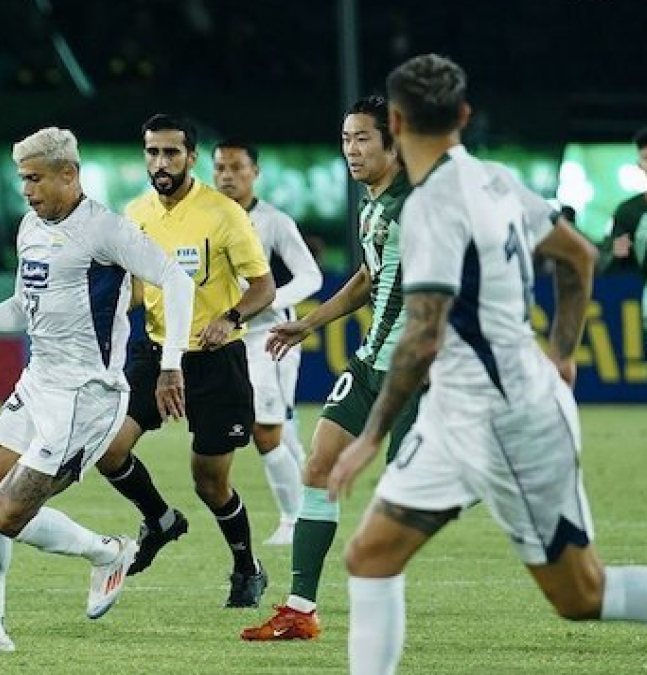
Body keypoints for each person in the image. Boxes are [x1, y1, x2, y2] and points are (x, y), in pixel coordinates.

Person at [328, 52, 647, 675]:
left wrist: (369, 438)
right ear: (464, 115)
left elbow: (422, 336)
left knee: (581, 595)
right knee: (370, 555)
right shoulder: (496, 178)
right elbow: (578, 257)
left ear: (393, 121)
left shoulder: (430, 207)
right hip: (456, 414)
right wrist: (560, 353)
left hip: (509, 424)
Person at [0, 126, 195, 653]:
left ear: (68, 174)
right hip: (38, 383)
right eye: (22, 179)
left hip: (85, 397)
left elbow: (177, 280)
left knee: (7, 514)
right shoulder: (30, 227)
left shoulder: (105, 231)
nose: (27, 190)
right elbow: (26, 307)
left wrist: (171, 364)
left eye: (35, 179)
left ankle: (108, 551)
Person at [240, 95, 421, 641]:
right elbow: (367, 279)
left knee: (405, 495)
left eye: (363, 137)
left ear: (393, 141)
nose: (352, 148)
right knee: (318, 466)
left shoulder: (421, 207)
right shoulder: (372, 205)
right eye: (346, 138)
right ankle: (300, 609)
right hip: (369, 367)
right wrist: (308, 323)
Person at [93, 114, 276, 608]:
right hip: (153, 354)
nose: (161, 162)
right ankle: (161, 519)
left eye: (171, 152)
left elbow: (264, 286)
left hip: (215, 361)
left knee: (210, 482)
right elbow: (131, 289)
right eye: (152, 152)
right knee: (107, 450)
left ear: (192, 157)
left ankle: (246, 567)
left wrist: (230, 316)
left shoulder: (224, 214)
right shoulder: (134, 214)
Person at [213, 139, 324, 546]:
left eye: (236, 167)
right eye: (220, 167)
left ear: (254, 172)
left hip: (269, 336)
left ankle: (295, 522)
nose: (227, 175)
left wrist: (268, 300)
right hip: (228, 336)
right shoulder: (209, 219)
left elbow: (310, 276)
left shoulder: (273, 222)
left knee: (266, 428)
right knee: (281, 427)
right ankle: (313, 509)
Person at [608, 126, 647, 331]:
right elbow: (617, 262)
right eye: (646, 158)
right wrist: (617, 253)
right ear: (639, 164)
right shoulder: (628, 212)